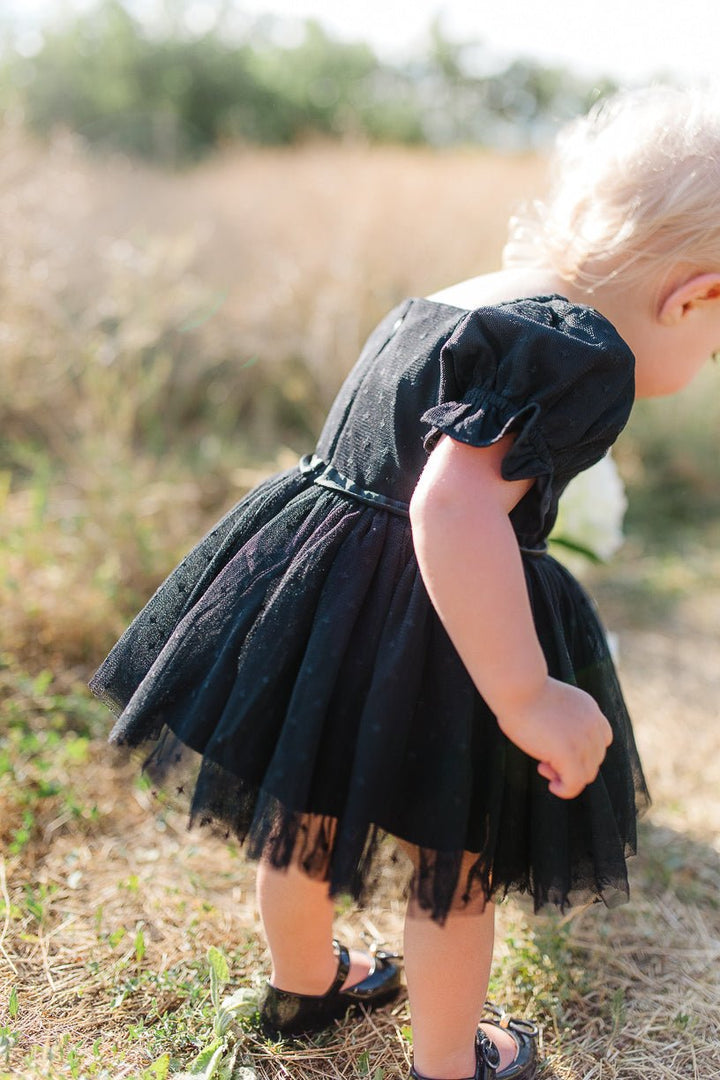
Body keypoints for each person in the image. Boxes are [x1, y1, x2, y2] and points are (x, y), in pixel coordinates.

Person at [89, 85, 720, 1080]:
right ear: (695, 294)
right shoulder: (584, 358)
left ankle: (307, 984)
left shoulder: (467, 293)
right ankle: (447, 1063)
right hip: (433, 619)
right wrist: (525, 691)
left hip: (319, 590)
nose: (707, 357)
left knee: (304, 809)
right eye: (715, 342)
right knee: (452, 865)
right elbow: (452, 507)